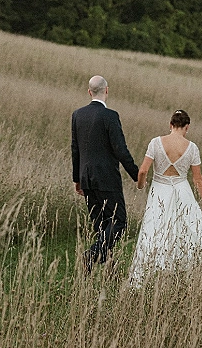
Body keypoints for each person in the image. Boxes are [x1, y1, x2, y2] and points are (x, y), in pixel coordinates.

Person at [129, 109, 202, 285]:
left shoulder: (155, 143)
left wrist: (140, 185)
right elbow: (198, 180)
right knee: (184, 231)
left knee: (155, 231)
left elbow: (143, 170)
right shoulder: (192, 148)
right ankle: (180, 274)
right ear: (187, 127)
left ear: (170, 125)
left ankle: (150, 273)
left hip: (160, 189)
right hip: (183, 191)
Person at [71, 75, 139, 273]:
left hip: (86, 178)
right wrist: (136, 174)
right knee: (119, 221)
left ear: (89, 91)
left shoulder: (77, 115)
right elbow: (120, 150)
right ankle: (91, 255)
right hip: (107, 178)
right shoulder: (110, 116)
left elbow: (75, 149)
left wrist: (77, 179)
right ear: (106, 90)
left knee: (101, 224)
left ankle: (110, 267)